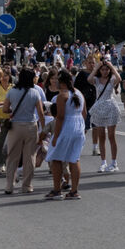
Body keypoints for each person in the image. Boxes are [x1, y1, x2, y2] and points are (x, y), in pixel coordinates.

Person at [1, 68, 45, 194]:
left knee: (12, 157)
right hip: (31, 125)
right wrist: (43, 129)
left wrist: (12, 111)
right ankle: (27, 185)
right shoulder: (35, 93)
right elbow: (41, 113)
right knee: (29, 157)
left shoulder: (12, 91)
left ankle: (9, 185)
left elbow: (5, 109)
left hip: (15, 126)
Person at [45, 70, 87, 200]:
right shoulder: (78, 93)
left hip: (66, 127)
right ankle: (74, 191)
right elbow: (84, 112)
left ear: (61, 81)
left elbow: (60, 117)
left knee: (56, 158)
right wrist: (81, 127)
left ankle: (57, 190)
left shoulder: (62, 95)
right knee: (74, 159)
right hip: (78, 126)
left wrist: (56, 136)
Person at [88, 57, 122, 173]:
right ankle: (103, 162)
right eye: (103, 70)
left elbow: (119, 78)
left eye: (106, 70)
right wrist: (97, 67)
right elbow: (89, 79)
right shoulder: (96, 80)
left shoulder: (112, 79)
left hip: (110, 106)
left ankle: (114, 162)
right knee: (101, 136)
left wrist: (111, 66)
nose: (105, 71)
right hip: (99, 107)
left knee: (111, 136)